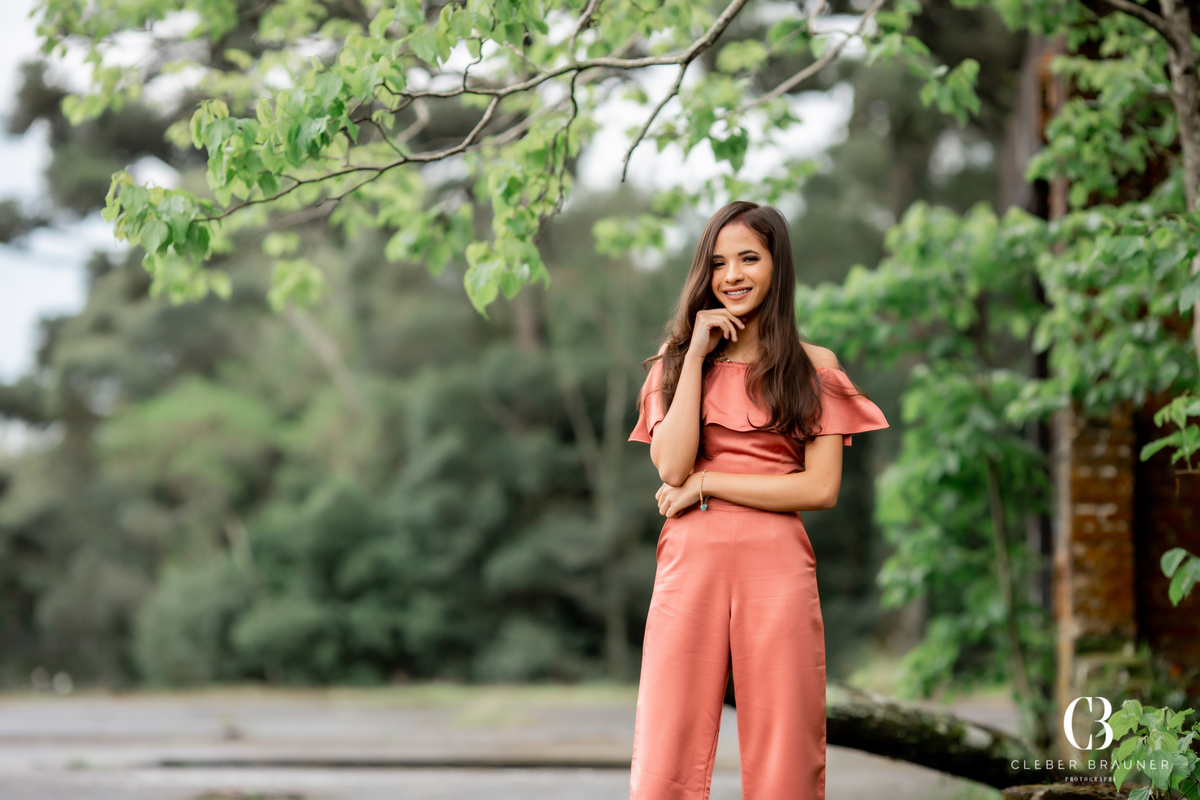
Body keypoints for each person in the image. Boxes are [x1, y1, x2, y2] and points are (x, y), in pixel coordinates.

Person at [626, 200, 890, 800]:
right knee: (667, 740)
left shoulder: (813, 366)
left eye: (750, 258)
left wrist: (709, 483)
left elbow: (819, 489)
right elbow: (670, 464)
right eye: (719, 263)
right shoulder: (675, 364)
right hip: (689, 564)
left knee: (787, 746)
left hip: (776, 567)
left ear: (778, 266)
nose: (733, 276)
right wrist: (693, 355)